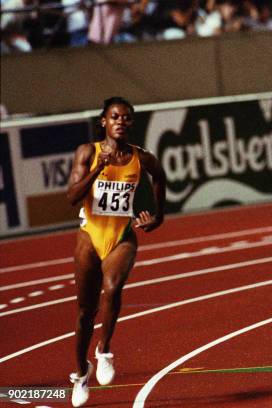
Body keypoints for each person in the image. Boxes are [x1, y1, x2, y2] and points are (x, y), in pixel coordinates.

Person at [66, 97, 166, 407]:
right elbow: (71, 197)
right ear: (104, 122)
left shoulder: (141, 158)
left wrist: (158, 215)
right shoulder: (88, 152)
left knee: (112, 288)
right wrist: (99, 170)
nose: (120, 121)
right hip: (89, 235)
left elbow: (160, 177)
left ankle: (104, 349)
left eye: (126, 117)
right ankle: (82, 372)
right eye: (114, 116)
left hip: (122, 235)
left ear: (131, 123)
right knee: (85, 312)